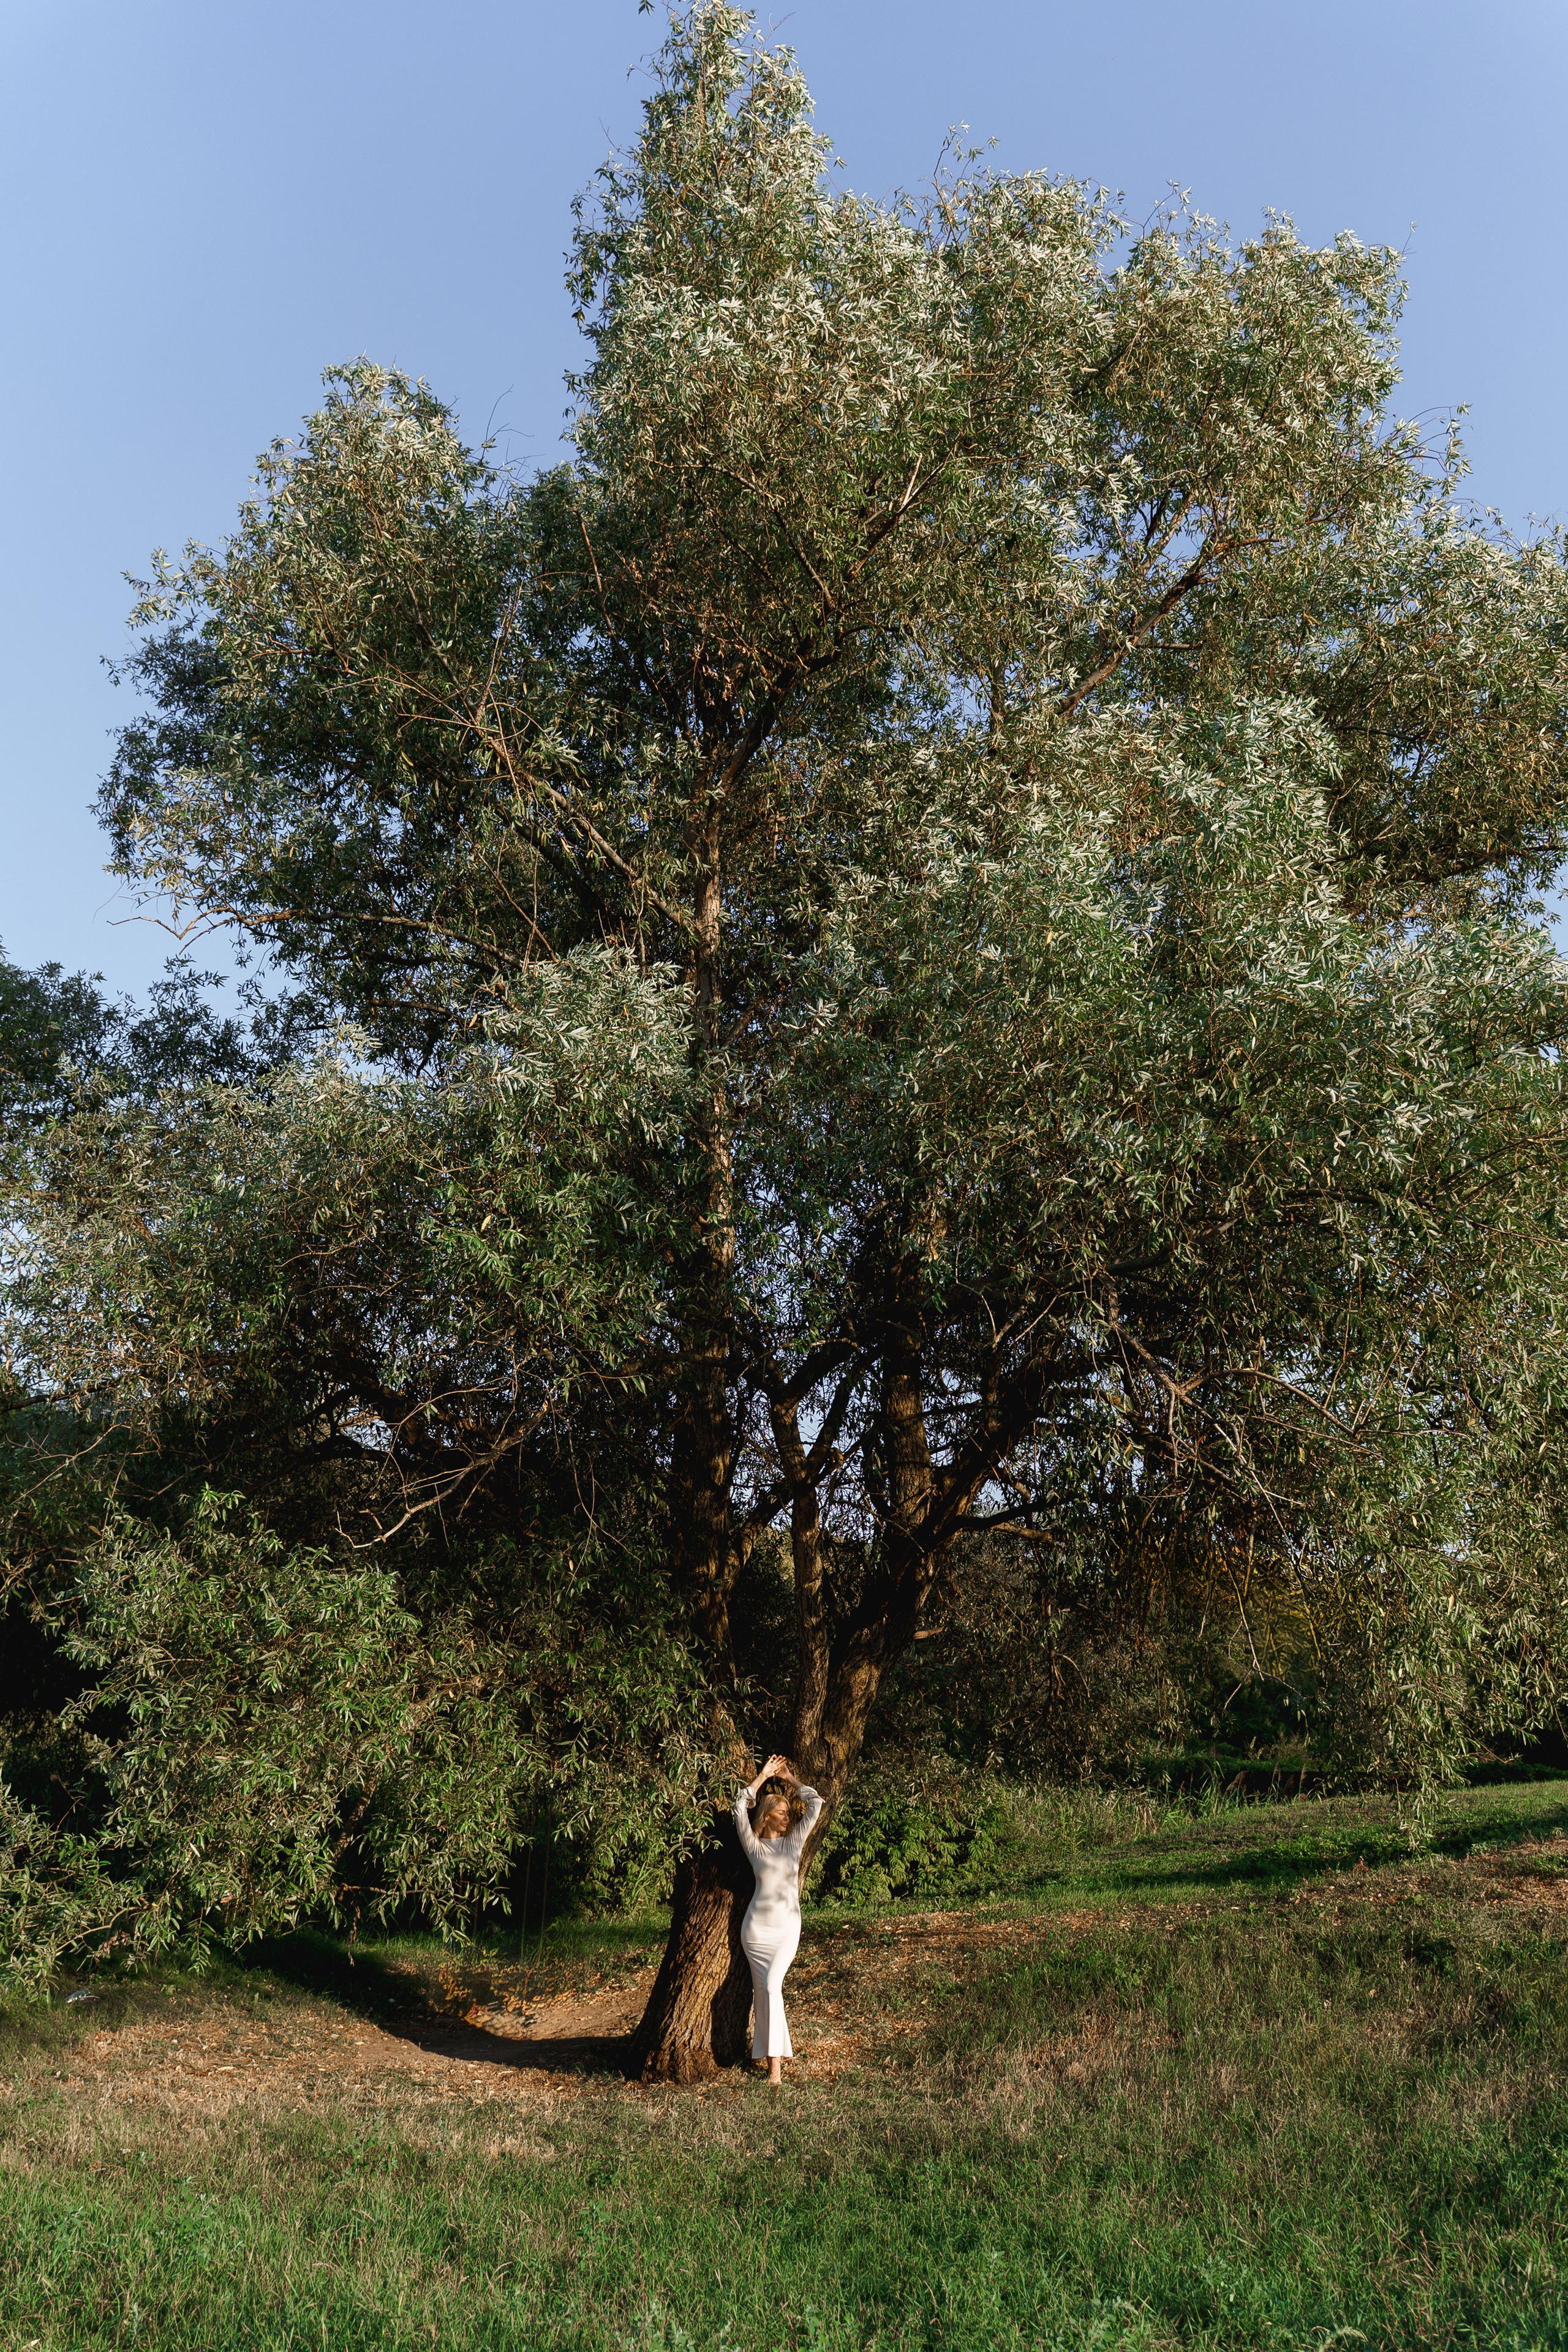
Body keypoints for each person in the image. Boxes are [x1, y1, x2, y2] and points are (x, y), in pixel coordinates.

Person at [733, 1752, 823, 2087]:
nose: (788, 1818)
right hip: (755, 1931)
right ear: (767, 1816)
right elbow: (738, 1807)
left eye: (788, 1813)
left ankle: (775, 2070)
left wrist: (788, 1779)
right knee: (764, 1993)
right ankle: (774, 2060)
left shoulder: (794, 1843)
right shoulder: (754, 1846)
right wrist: (761, 1777)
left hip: (786, 1930)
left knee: (772, 1987)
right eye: (782, 1813)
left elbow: (816, 1803)